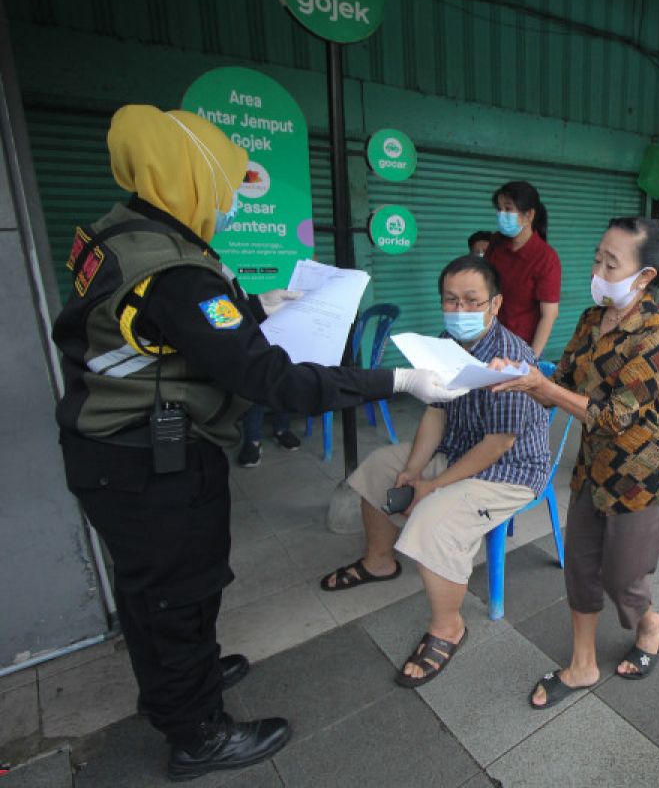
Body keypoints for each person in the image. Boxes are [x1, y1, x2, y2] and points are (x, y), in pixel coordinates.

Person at [51, 106, 466, 781]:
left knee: (154, 586)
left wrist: (250, 309)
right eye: (216, 179)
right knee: (177, 588)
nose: (222, 197)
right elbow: (272, 380)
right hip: (147, 461)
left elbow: (159, 329)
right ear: (184, 176)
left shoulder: (121, 232)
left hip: (114, 451)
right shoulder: (175, 272)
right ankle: (196, 733)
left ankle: (178, 684)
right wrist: (399, 379)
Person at [320, 256, 550, 686]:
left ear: (495, 304)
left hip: (510, 470)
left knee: (433, 518)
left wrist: (433, 486)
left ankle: (449, 627)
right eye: (451, 300)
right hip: (458, 447)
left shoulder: (513, 358)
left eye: (471, 301)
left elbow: (498, 443)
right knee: (379, 467)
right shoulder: (446, 344)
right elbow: (437, 412)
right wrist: (412, 470)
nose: (459, 311)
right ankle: (379, 562)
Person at [491, 218, 659, 709]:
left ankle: (650, 624)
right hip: (593, 469)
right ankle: (582, 665)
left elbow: (615, 415)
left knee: (624, 580)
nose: (598, 269)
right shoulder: (590, 318)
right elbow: (566, 376)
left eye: (611, 263)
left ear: (645, 277)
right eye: (598, 257)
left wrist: (545, 389)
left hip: (642, 475)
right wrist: (519, 371)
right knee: (580, 568)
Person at [484, 180, 560, 358]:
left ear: (529, 215)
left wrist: (531, 357)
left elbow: (549, 315)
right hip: (488, 338)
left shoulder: (546, 257)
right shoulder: (496, 242)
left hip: (519, 347)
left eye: (508, 209)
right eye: (499, 208)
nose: (501, 214)